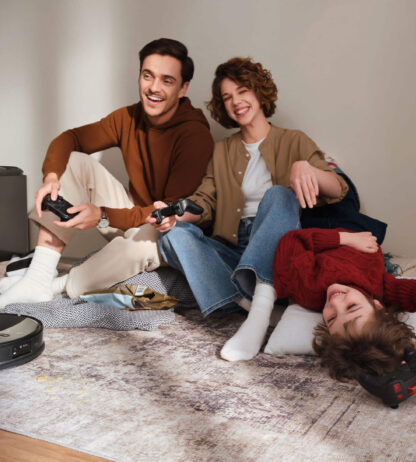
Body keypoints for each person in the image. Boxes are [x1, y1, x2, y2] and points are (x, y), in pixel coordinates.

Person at [0, 38, 214, 311]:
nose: (154, 87)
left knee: (139, 245)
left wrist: (104, 215)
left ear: (183, 88)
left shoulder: (194, 135)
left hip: (170, 231)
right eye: (147, 75)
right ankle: (39, 274)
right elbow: (70, 138)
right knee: (76, 161)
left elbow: (168, 213)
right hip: (135, 217)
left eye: (167, 80)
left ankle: (56, 286)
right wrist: (51, 177)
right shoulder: (128, 117)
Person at [148, 57, 348, 361]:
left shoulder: (293, 140)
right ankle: (251, 305)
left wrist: (306, 168)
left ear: (259, 92)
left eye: (242, 91)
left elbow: (338, 188)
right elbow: (205, 202)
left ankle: (257, 317)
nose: (236, 102)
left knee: (279, 195)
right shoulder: (222, 150)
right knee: (172, 235)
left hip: (278, 251)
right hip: (233, 253)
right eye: (227, 97)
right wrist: (176, 214)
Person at [272, 227, 416, 382]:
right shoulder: (381, 288)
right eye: (351, 307)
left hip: (326, 223)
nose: (335, 302)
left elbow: (293, 240)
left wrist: (344, 238)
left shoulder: (308, 289)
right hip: (362, 229)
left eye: (331, 319)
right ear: (378, 306)